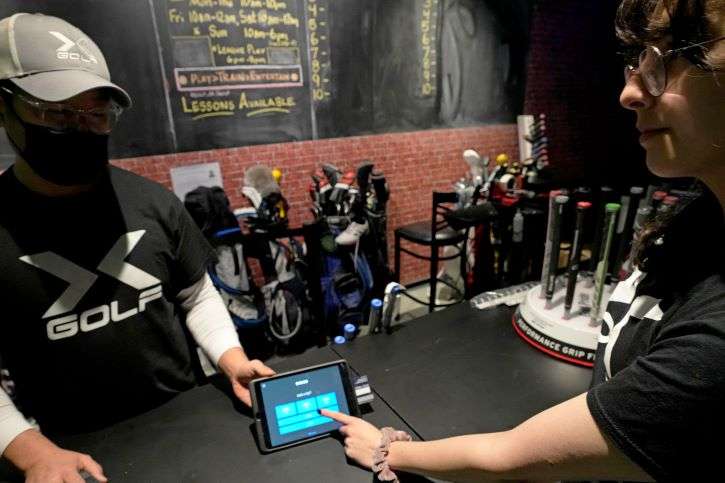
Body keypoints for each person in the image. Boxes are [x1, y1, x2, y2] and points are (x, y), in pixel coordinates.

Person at [322, 0, 725, 480]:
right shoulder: (699, 218)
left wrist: (387, 450)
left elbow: (509, 457)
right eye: (636, 63)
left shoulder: (714, 343)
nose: (630, 92)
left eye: (669, 58)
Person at [0, 13, 274, 482]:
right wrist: (30, 451)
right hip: (74, 449)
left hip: (189, 417)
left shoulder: (153, 203)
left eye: (95, 114)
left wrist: (230, 358)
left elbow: (196, 294)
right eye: (55, 113)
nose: (80, 129)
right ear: (5, 107)